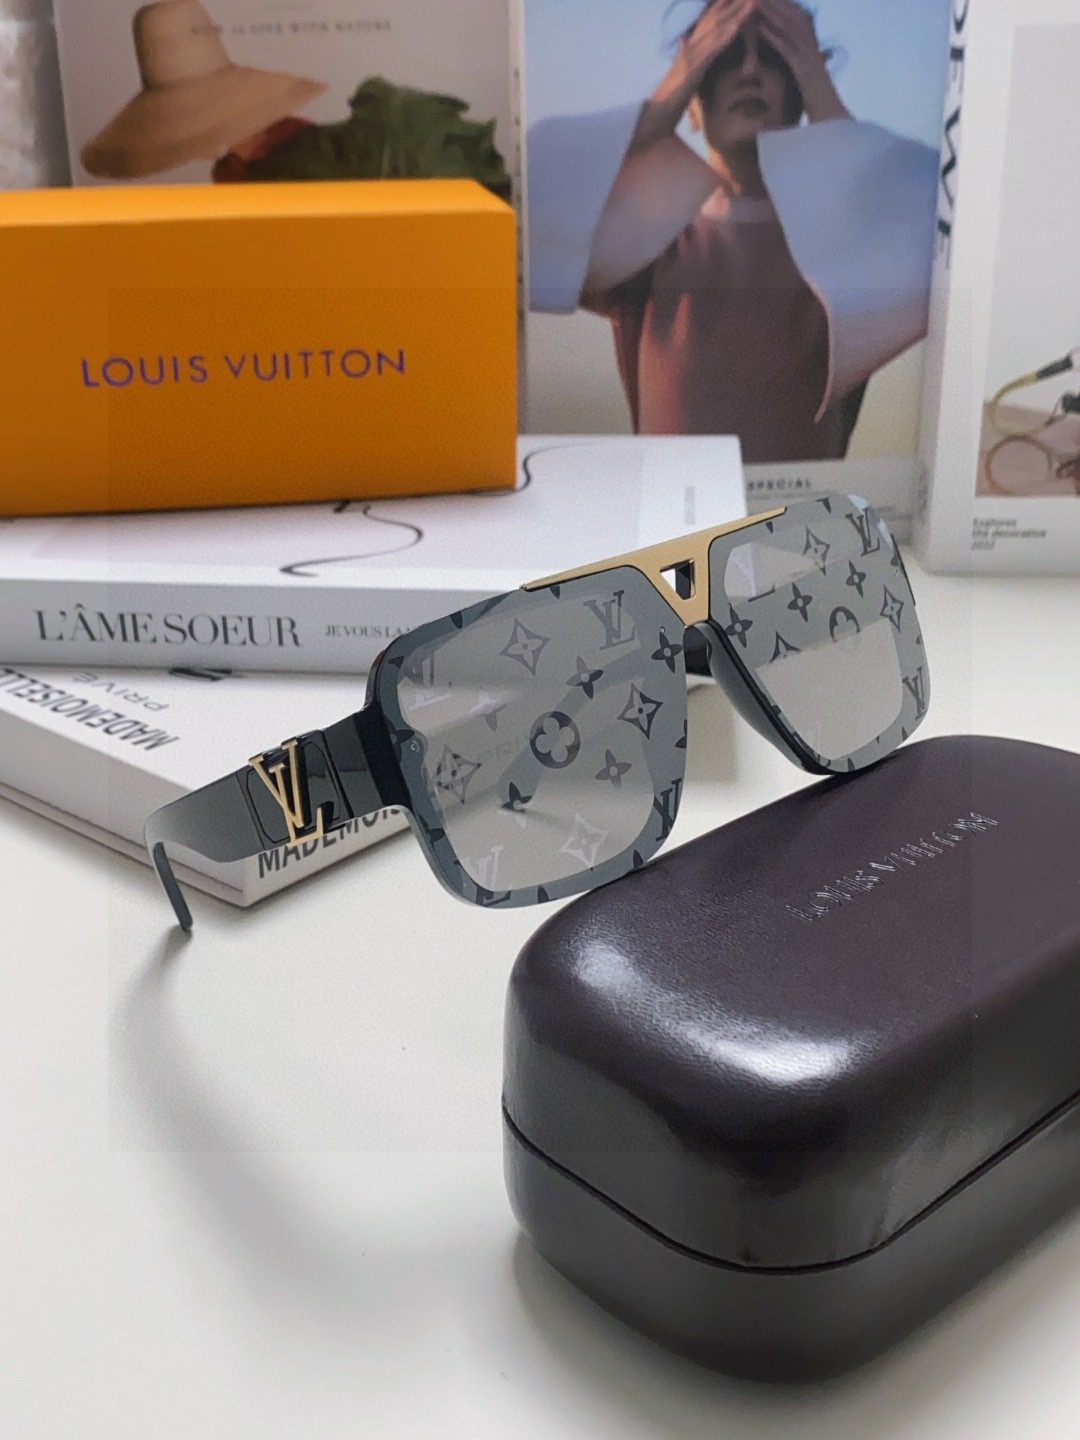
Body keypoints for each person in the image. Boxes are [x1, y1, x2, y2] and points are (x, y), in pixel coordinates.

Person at [527, 0, 939, 464]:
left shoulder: (842, 249)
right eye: (723, 57)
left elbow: (937, 216)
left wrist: (818, 84)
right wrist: (669, 94)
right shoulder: (650, 244)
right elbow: (528, 215)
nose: (749, 71)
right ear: (693, 103)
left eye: (774, 55)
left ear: (799, 91)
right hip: (675, 509)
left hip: (802, 512)